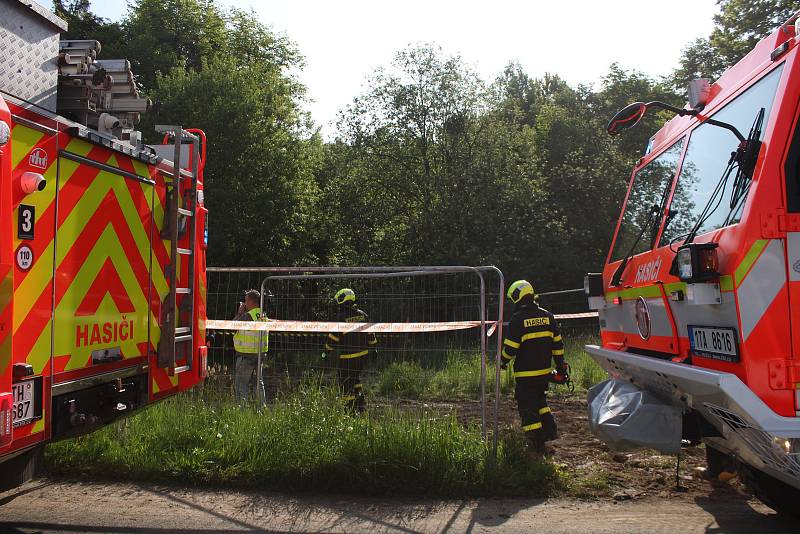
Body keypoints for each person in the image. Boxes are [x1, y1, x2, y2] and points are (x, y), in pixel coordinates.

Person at [500, 280, 568, 456]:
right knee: (540, 402)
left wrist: (502, 361)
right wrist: (561, 368)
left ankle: (536, 445)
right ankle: (550, 431)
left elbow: (510, 349)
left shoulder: (517, 320)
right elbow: (558, 347)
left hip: (525, 375)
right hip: (544, 373)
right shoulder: (548, 316)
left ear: (518, 296)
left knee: (527, 408)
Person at [322, 288, 378, 412]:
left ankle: (350, 408)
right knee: (355, 378)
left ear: (343, 299)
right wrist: (374, 349)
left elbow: (333, 338)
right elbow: (371, 334)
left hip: (348, 357)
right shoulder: (363, 315)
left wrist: (326, 353)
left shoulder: (341, 317)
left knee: (345, 381)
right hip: (363, 356)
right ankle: (360, 403)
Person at [232, 289, 269, 404]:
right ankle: (261, 409)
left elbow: (232, 327)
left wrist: (239, 313)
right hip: (260, 354)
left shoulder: (247, 316)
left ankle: (241, 411)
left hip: (246, 355)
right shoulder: (263, 315)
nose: (244, 303)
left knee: (241, 384)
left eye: (246, 301)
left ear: (252, 302)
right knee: (259, 383)